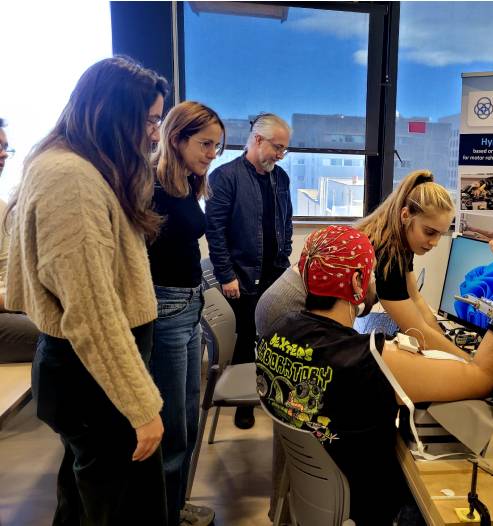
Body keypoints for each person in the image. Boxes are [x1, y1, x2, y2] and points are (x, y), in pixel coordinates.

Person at [256, 225, 493, 525]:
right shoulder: (369, 359)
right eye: (370, 274)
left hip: (316, 498)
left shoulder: (275, 331)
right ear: (357, 282)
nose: (374, 280)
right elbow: (483, 376)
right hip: (369, 505)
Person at [4, 56, 169, 525]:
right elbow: (92, 312)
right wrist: (141, 407)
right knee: (117, 508)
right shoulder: (71, 178)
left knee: (85, 500)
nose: (155, 134)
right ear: (113, 113)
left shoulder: (74, 166)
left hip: (91, 373)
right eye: (150, 120)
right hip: (94, 377)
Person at [148, 101, 224, 526]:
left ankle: (175, 506)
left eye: (216, 146)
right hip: (166, 309)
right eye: (205, 144)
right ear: (176, 138)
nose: (212, 153)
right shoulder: (150, 184)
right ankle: (164, 514)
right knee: (171, 426)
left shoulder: (187, 182)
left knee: (189, 418)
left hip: (190, 304)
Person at [206, 112, 293, 429]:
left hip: (276, 272)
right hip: (241, 276)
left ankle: (275, 396)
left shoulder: (280, 178)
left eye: (284, 149)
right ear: (257, 140)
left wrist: (286, 252)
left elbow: (286, 220)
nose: (280, 155)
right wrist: (226, 275)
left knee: (277, 338)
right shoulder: (225, 176)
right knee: (247, 339)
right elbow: (214, 231)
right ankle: (245, 404)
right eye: (277, 147)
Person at [356, 169, 466, 357]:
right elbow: (417, 331)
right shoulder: (386, 252)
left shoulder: (400, 242)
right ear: (405, 215)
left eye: (441, 234)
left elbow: (415, 298)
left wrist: (442, 337)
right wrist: (472, 364)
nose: (435, 242)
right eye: (430, 232)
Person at [0, 118, 40, 363]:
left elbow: (7, 273)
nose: (3, 154)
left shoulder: (3, 208)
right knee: (62, 335)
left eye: (6, 147)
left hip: (6, 305)